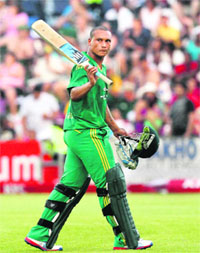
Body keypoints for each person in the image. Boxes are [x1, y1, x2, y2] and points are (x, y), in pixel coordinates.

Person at [24, 26, 153, 251]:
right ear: (90, 42)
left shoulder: (100, 69)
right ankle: (125, 238)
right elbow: (73, 94)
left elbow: (100, 105)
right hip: (88, 133)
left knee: (69, 186)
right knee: (111, 183)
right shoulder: (83, 66)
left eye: (108, 41)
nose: (104, 44)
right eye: (99, 40)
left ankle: (39, 234)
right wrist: (90, 83)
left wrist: (115, 128)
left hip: (77, 132)